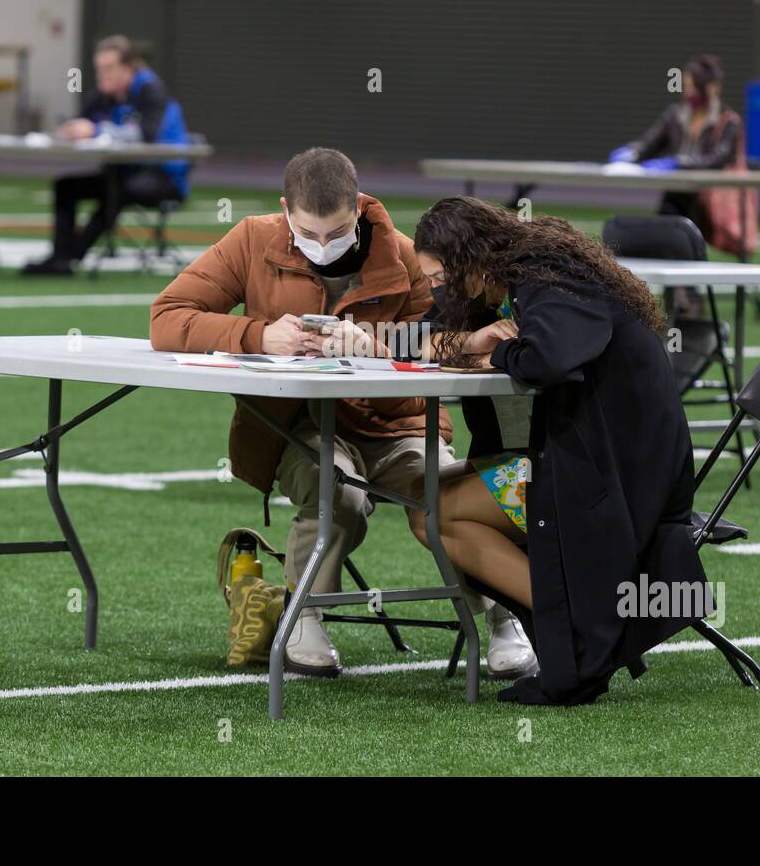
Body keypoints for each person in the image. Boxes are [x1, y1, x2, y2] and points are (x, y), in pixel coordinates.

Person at [149, 149, 536, 679]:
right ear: (286, 210)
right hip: (295, 426)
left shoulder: (405, 256)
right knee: (338, 495)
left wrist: (373, 343)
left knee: (446, 500)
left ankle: (502, 616)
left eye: (336, 234)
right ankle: (304, 615)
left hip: (401, 424)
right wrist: (260, 334)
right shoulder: (250, 240)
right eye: (309, 233)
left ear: (357, 209)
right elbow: (168, 317)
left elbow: (444, 339)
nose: (323, 247)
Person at [409, 196, 709, 705]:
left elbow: (546, 359)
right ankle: (574, 619)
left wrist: (495, 352)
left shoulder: (549, 274)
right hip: (592, 455)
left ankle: (576, 622)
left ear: (468, 262)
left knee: (432, 514)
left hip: (620, 474)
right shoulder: (513, 276)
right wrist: (478, 338)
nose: (438, 289)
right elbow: (420, 339)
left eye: (440, 278)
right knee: (425, 501)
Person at [23, 35, 189, 275]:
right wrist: (70, 131)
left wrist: (96, 130)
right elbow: (81, 123)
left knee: (116, 190)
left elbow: (147, 134)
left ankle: (71, 256)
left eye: (110, 68)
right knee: (66, 187)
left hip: (164, 178)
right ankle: (59, 257)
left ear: (129, 68)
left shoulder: (150, 89)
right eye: (99, 69)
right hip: (123, 173)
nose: (103, 75)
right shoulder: (103, 94)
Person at [609, 54, 755, 257]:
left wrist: (679, 163)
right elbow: (649, 144)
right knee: (670, 211)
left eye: (693, 86)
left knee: (681, 215)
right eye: (686, 86)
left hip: (708, 198)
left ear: (711, 88)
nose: (688, 92)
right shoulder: (675, 114)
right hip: (677, 192)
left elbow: (718, 159)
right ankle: (679, 281)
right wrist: (631, 154)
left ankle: (687, 279)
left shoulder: (728, 122)